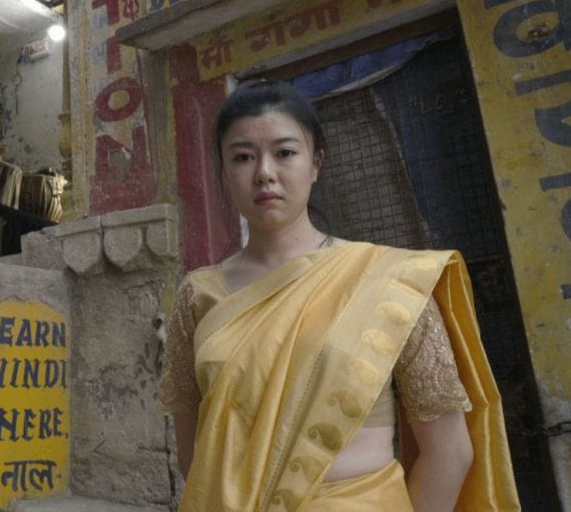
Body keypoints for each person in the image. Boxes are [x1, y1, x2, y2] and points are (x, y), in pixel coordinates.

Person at [159, 79, 519, 511]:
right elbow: (192, 453)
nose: (264, 172)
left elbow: (450, 451)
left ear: (315, 164)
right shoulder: (197, 295)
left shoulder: (386, 281)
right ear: (223, 172)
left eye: (285, 152)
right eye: (242, 157)